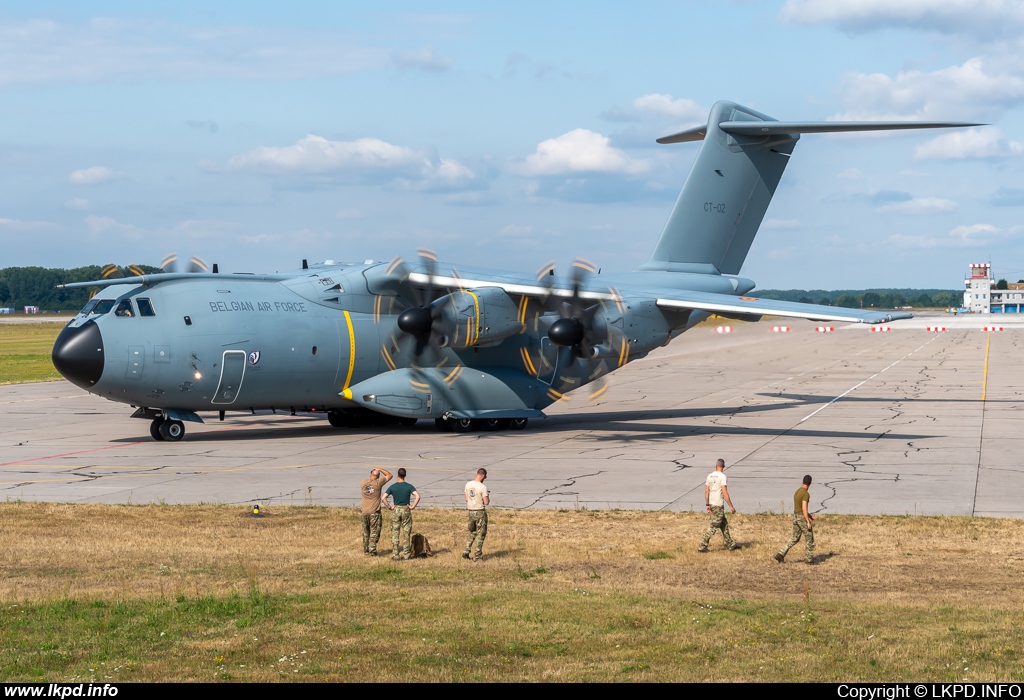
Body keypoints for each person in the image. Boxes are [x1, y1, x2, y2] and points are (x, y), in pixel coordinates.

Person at [698, 458, 739, 552]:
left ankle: (730, 544)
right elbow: (724, 492)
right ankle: (702, 545)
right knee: (714, 525)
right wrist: (731, 506)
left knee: (724, 524)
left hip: (712, 503)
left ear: (716, 465)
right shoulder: (722, 476)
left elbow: (706, 491)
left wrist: (707, 504)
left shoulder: (709, 476)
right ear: (723, 467)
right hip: (718, 504)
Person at [775, 475, 815, 564]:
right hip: (801, 518)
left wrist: (810, 516)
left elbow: (799, 507)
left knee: (795, 538)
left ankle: (781, 553)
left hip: (796, 516)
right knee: (810, 539)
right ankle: (808, 559)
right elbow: (804, 508)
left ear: (802, 481)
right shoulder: (805, 494)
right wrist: (808, 521)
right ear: (810, 483)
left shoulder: (797, 491)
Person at [383, 468, 420, 560]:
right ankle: (406, 554)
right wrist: (412, 506)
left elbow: (383, 498)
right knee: (406, 533)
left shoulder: (393, 487)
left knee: (395, 532)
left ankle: (395, 554)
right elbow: (418, 496)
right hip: (406, 509)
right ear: (405, 475)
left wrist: (389, 506)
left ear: (397, 475)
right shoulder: (409, 486)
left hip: (396, 509)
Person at [359, 467, 392, 555]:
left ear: (370, 475)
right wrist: (380, 469)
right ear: (378, 476)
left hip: (364, 512)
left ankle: (366, 550)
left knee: (366, 532)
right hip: (374, 512)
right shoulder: (378, 483)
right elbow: (389, 475)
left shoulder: (363, 482)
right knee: (374, 531)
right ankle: (372, 549)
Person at [462, 468, 489, 561]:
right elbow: (486, 502)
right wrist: (486, 496)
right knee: (481, 534)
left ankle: (466, 550)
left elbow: (466, 498)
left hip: (470, 511)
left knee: (472, 532)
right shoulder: (482, 487)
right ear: (483, 475)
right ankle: (477, 554)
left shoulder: (468, 484)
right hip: (479, 511)